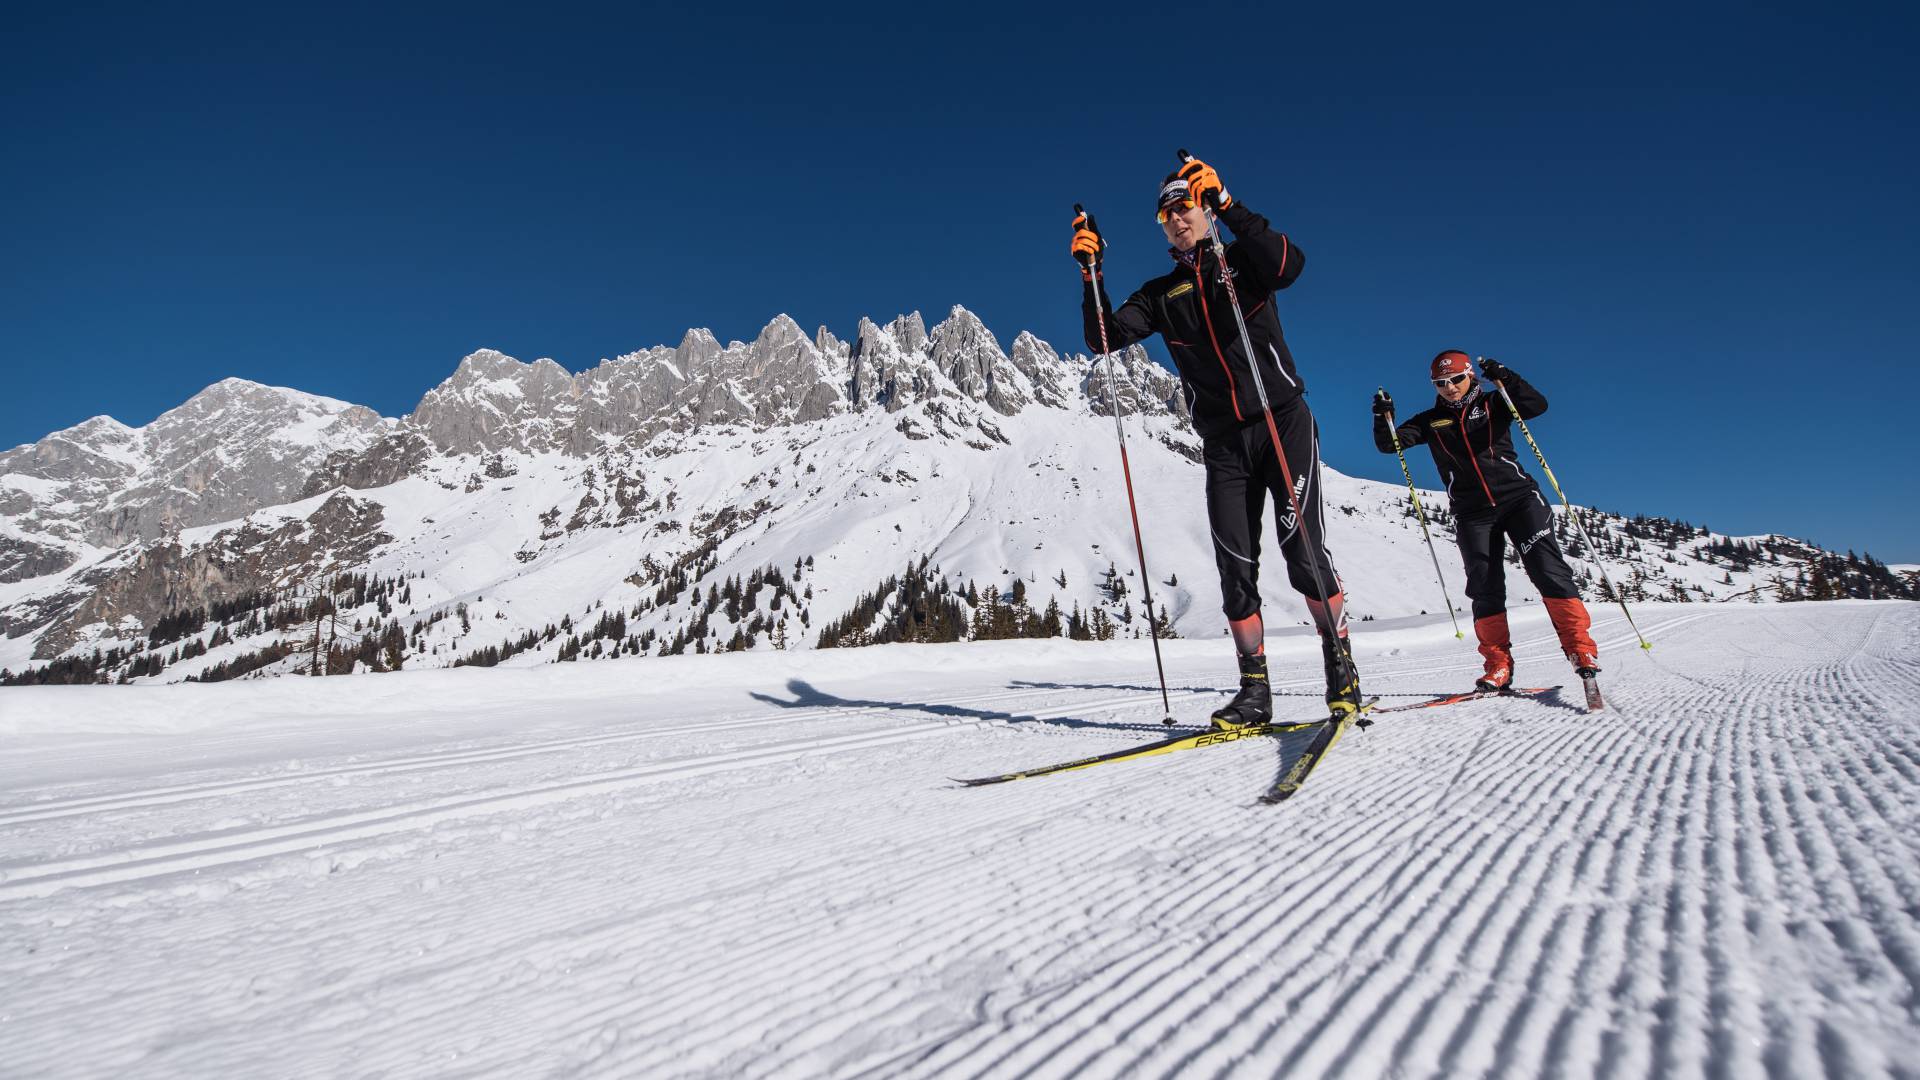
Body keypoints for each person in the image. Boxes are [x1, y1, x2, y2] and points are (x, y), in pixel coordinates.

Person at [1073, 156, 1360, 729]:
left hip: (1281, 421)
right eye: (1166, 214)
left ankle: (1340, 665)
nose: (1177, 218)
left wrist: (1230, 203)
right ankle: (1255, 690)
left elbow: (1288, 264)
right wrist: (1092, 274)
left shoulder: (1243, 263)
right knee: (1235, 566)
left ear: (1202, 209)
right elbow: (1103, 337)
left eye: (1186, 206)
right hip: (1224, 443)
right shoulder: (1161, 293)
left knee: (1303, 553)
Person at [1372, 352, 1601, 690]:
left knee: (1547, 571)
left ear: (1470, 377)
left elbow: (1537, 406)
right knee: (1484, 587)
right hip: (1472, 512)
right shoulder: (1430, 420)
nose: (1449, 388)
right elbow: (1389, 445)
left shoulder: (1496, 402)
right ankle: (1498, 665)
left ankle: (1580, 650)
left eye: (1456, 380)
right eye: (1441, 383)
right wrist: (1383, 418)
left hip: (1519, 500)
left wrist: (1507, 377)